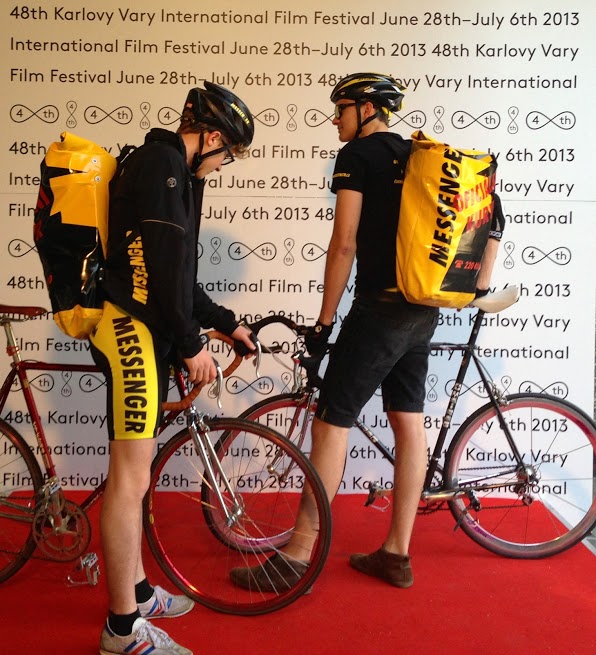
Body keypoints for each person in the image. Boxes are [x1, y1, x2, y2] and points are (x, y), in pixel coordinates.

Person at [230, 73, 504, 593]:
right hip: (422, 310)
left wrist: (324, 320)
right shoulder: (425, 158)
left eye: (341, 109)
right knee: (408, 422)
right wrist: (478, 289)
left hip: (378, 310)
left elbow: (343, 243)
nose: (335, 119)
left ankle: (297, 555)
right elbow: (494, 221)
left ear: (367, 109)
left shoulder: (358, 156)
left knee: (331, 423)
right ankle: (396, 554)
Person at [91, 82, 256, 655]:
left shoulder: (178, 174)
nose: (225, 163)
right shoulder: (162, 163)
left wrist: (224, 322)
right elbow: (162, 271)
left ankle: (137, 593)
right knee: (130, 480)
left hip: (148, 330)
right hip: (130, 329)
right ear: (210, 136)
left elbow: (180, 273)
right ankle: (121, 631)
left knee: (133, 479)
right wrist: (191, 344)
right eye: (228, 152)